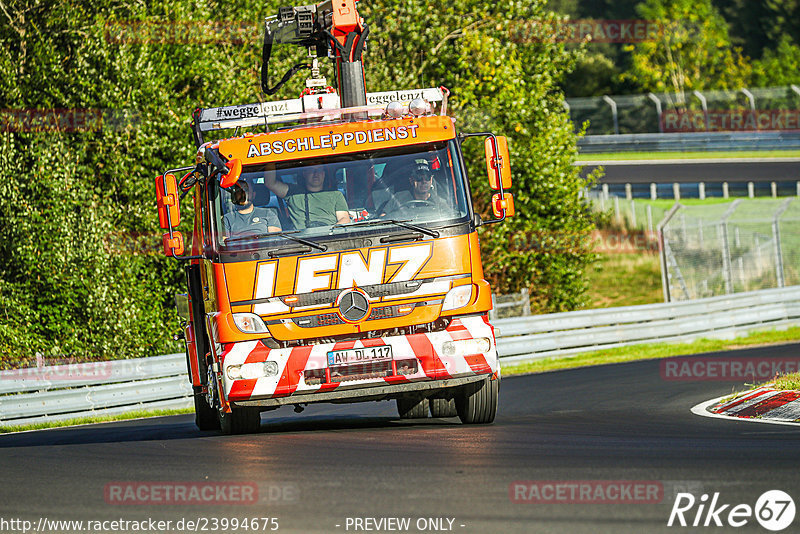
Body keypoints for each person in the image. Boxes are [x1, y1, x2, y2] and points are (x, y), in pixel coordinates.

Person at [263, 165, 351, 229]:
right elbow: (270, 183)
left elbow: (344, 219)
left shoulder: (336, 195)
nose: (316, 174)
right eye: (311, 170)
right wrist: (271, 160)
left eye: (319, 170)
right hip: (301, 244)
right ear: (304, 173)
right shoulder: (292, 193)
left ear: (324, 174)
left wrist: (330, 232)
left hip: (329, 240)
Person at [382, 160, 449, 214]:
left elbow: (451, 215)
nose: (424, 181)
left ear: (431, 180)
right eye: (419, 178)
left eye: (427, 177)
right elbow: (383, 217)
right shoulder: (398, 198)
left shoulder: (439, 202)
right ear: (411, 180)